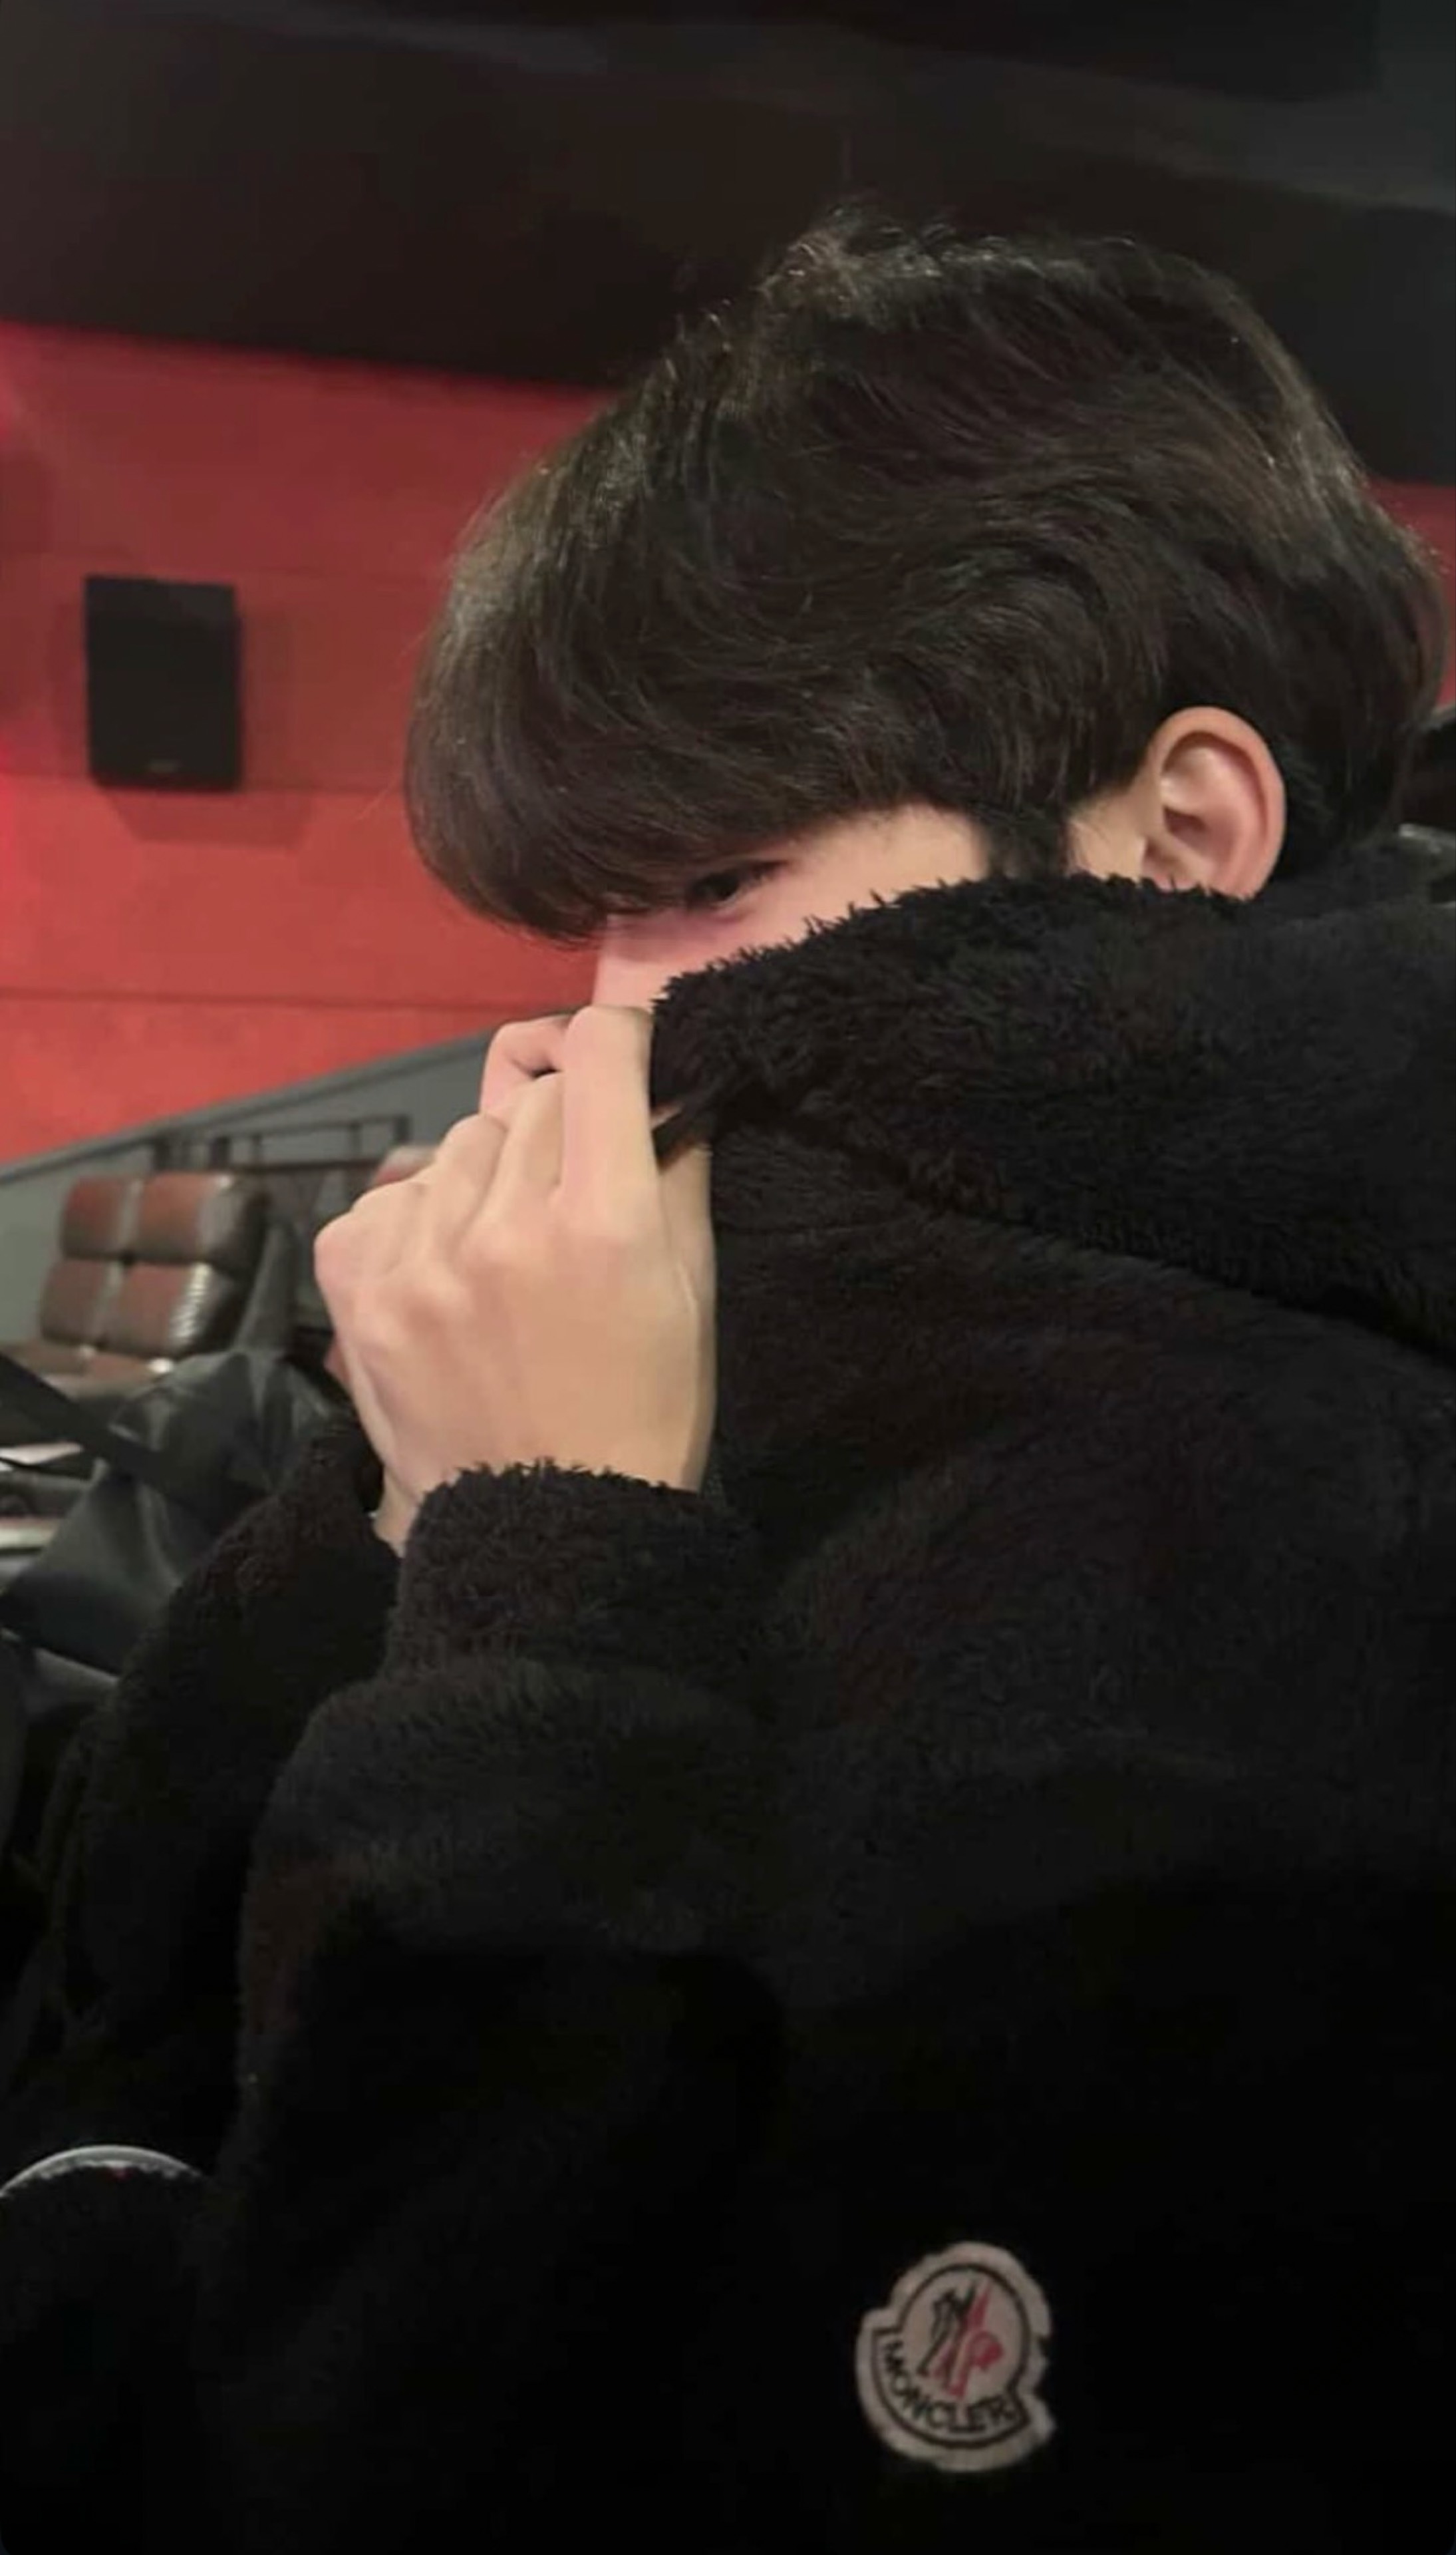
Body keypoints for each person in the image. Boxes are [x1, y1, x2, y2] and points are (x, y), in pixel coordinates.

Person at [0, 209, 1451, 2555]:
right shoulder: (674, 1294)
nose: (609, 1016)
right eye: (601, 909)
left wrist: (545, 1557)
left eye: (715, 885)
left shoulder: (1298, 1547)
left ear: (1182, 833)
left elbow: (396, 2450)